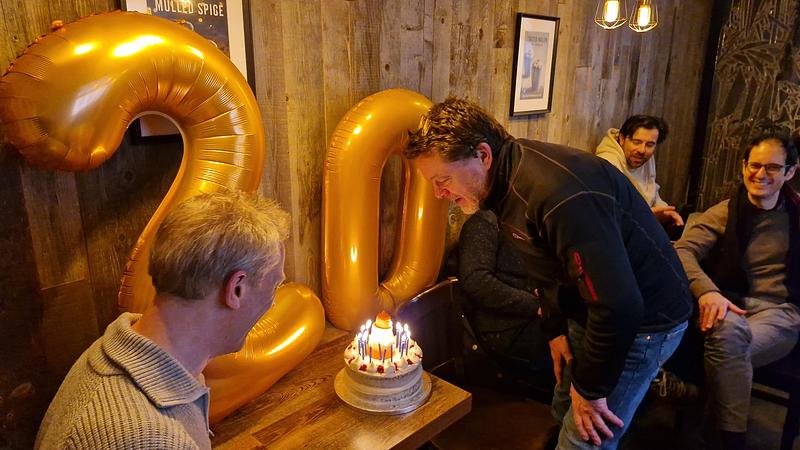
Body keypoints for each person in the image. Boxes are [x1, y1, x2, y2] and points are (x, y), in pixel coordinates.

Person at [405, 98, 692, 449]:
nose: (438, 194)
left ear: (482, 154)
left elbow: (620, 305)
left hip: (645, 321)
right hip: (588, 309)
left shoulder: (557, 195)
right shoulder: (505, 182)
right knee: (561, 407)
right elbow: (544, 266)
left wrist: (592, 389)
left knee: (584, 436)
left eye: (443, 179)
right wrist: (555, 329)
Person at [35, 191, 290, 450]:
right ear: (236, 288)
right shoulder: (153, 439)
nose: (272, 301)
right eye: (274, 285)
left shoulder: (107, 352)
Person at [674, 133, 799, 450]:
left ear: (790, 172)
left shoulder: (796, 216)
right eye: (755, 165)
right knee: (728, 337)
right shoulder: (725, 211)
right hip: (729, 307)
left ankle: (699, 408)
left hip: (779, 313)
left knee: (726, 351)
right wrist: (707, 292)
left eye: (772, 167)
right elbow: (680, 252)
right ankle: (730, 442)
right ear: (743, 166)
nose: (761, 175)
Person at [457, 208, 550, 370]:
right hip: (505, 329)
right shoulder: (485, 222)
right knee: (578, 347)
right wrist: (536, 305)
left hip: (536, 316)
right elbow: (476, 281)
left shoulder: (529, 218)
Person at [595, 114, 684, 227]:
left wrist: (665, 211)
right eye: (636, 142)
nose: (642, 150)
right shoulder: (607, 163)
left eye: (650, 145)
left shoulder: (645, 158)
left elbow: (652, 191)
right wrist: (647, 216)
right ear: (622, 139)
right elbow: (608, 214)